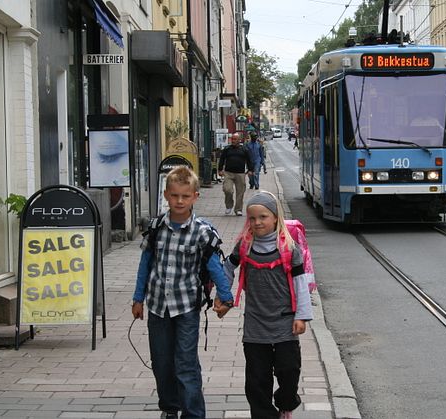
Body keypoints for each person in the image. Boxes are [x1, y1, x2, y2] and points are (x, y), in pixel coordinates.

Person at [131, 166, 235, 419]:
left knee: (186, 364)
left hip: (187, 307)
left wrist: (226, 297)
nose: (179, 201)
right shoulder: (156, 227)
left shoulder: (202, 232)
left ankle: (193, 413)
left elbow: (215, 267)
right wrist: (137, 298)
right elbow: (145, 264)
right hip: (157, 307)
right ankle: (169, 408)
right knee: (161, 362)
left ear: (195, 197)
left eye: (185, 196)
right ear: (166, 195)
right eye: (175, 195)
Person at [221, 191, 314, 419]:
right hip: (255, 323)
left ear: (275, 218)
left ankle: (285, 403)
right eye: (252, 219)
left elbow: (301, 283)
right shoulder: (244, 245)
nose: (257, 222)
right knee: (256, 379)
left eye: (263, 217)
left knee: (289, 371)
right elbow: (227, 267)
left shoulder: (289, 249)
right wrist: (223, 297)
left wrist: (301, 316)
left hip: (285, 321)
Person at [218, 133, 254, 216]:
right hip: (228, 173)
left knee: (240, 192)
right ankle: (229, 205)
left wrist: (250, 170)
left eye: (235, 139)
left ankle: (238, 209)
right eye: (232, 139)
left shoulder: (244, 149)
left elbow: (249, 160)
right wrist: (220, 170)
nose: (233, 141)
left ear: (239, 140)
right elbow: (222, 159)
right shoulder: (227, 149)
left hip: (240, 174)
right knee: (227, 190)